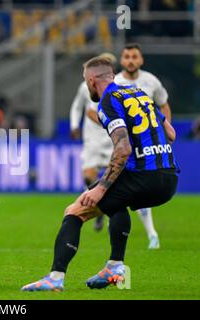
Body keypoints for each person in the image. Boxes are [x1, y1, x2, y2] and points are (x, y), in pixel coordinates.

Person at [22, 56, 179, 292]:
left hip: (143, 176)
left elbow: (123, 149)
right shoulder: (139, 94)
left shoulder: (107, 102)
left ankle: (55, 278)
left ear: (93, 80)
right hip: (169, 178)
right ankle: (115, 266)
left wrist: (100, 188)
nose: (87, 86)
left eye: (86, 82)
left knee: (75, 211)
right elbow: (171, 133)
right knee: (117, 204)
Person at [111, 43, 173, 249]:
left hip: (146, 145)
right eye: (127, 56)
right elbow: (97, 111)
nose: (130, 60)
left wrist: (165, 132)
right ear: (122, 60)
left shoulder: (151, 81)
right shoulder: (115, 83)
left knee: (131, 187)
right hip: (122, 144)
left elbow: (163, 104)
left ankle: (149, 234)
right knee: (122, 187)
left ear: (141, 60)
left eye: (134, 56)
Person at [69, 52, 116, 232]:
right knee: (88, 176)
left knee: (116, 177)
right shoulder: (85, 87)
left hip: (112, 137)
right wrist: (74, 125)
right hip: (92, 138)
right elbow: (78, 107)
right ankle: (98, 205)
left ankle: (106, 208)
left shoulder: (119, 87)